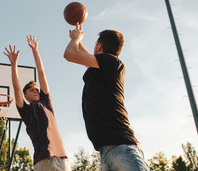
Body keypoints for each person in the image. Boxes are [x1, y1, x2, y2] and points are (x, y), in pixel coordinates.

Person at [63, 24, 149, 171]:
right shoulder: (105, 66)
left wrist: (76, 38)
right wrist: (79, 40)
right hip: (108, 152)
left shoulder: (110, 61)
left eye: (95, 44)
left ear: (99, 46)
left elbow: (69, 54)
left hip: (121, 148)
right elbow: (87, 57)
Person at [4, 35, 71, 171]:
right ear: (25, 95)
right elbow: (16, 87)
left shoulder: (46, 102)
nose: (35, 91)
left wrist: (35, 51)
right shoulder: (25, 110)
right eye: (31, 90)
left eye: (36, 89)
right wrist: (13, 64)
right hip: (42, 161)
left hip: (61, 159)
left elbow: (41, 73)